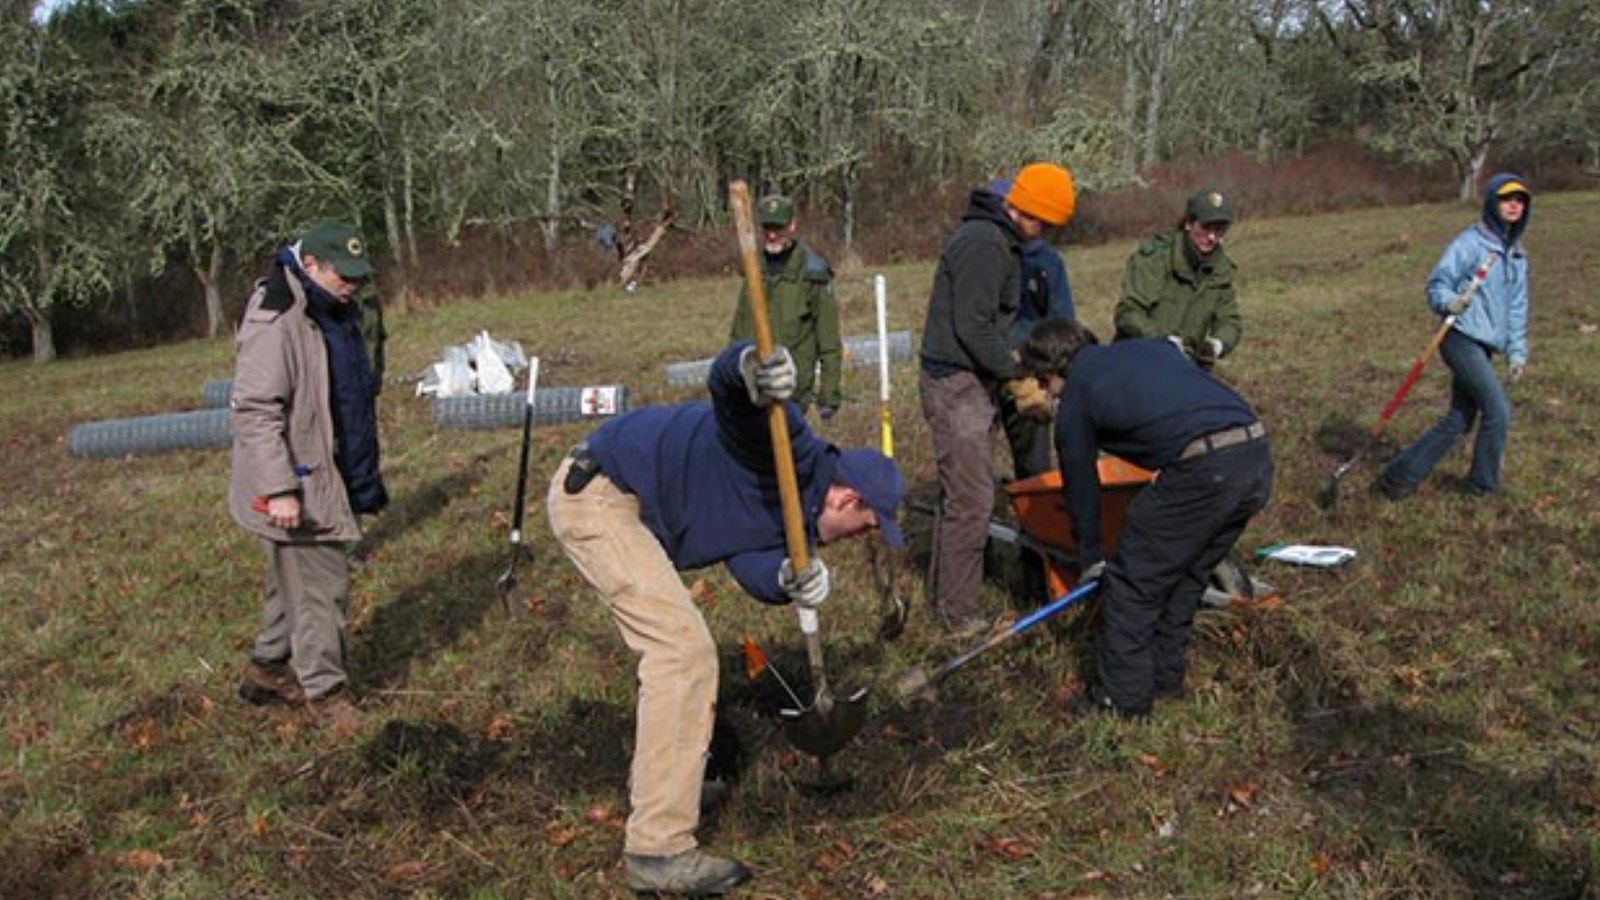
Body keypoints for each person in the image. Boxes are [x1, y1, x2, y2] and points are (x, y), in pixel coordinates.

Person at [546, 340, 906, 896]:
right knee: (681, 652)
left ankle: (675, 787)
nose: (862, 539)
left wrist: (786, 577)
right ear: (847, 499)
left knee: (683, 648)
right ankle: (657, 851)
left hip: (639, 507)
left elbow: (746, 558)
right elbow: (732, 399)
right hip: (601, 492)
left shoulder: (797, 514)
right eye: (867, 526)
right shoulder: (788, 445)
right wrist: (749, 368)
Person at [1019, 317, 1273, 719]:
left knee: (1131, 586)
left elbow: (1080, 488)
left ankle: (1122, 701)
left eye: (1043, 383)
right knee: (1185, 578)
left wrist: (1091, 559)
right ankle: (1164, 679)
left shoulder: (1077, 397)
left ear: (1051, 373)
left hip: (1204, 470)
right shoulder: (1149, 348)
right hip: (1255, 455)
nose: (1046, 393)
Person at [229, 221, 388, 735]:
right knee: (323, 587)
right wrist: (279, 488)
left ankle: (268, 672)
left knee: (289, 583)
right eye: (345, 276)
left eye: (360, 277)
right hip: (298, 479)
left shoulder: (335, 307)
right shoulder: (278, 319)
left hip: (331, 468)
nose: (354, 286)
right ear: (312, 265)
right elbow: (254, 411)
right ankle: (326, 692)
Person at [919, 162, 1076, 637]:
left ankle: (948, 597)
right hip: (955, 383)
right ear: (1023, 209)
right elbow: (974, 327)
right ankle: (959, 616)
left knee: (966, 495)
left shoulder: (998, 240)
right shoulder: (984, 244)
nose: (1043, 233)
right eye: (1042, 222)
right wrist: (1019, 374)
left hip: (972, 381)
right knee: (972, 500)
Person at [1374, 175, 1532, 499]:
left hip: (1485, 344)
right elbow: (1438, 284)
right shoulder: (1470, 244)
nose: (1514, 204)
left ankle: (1396, 479)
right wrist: (1450, 302)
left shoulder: (1517, 255)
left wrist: (1517, 351)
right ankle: (1482, 487)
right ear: (1491, 203)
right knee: (1498, 411)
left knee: (1459, 420)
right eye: (1506, 199)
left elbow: (1518, 307)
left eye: (1520, 200)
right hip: (1460, 337)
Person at [986, 176, 1077, 480]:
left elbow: (1061, 322)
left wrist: (1045, 372)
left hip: (1029, 373)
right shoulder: (980, 255)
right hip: (981, 371)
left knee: (1034, 463)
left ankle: (1037, 518)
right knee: (970, 462)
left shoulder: (1047, 261)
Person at [728, 194, 843, 418]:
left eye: (778, 228)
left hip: (793, 392)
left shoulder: (813, 273)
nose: (772, 235)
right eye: (767, 228)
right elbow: (739, 329)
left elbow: (829, 342)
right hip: (755, 387)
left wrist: (829, 395)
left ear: (792, 226)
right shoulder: (754, 269)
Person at [1114, 188, 1241, 368]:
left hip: (1187, 368)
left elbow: (1230, 322)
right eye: (1205, 228)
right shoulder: (1155, 258)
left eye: (1219, 230)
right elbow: (1128, 313)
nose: (1212, 237)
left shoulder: (1221, 269)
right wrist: (1162, 341)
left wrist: (1216, 345)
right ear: (1189, 223)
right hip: (1138, 360)